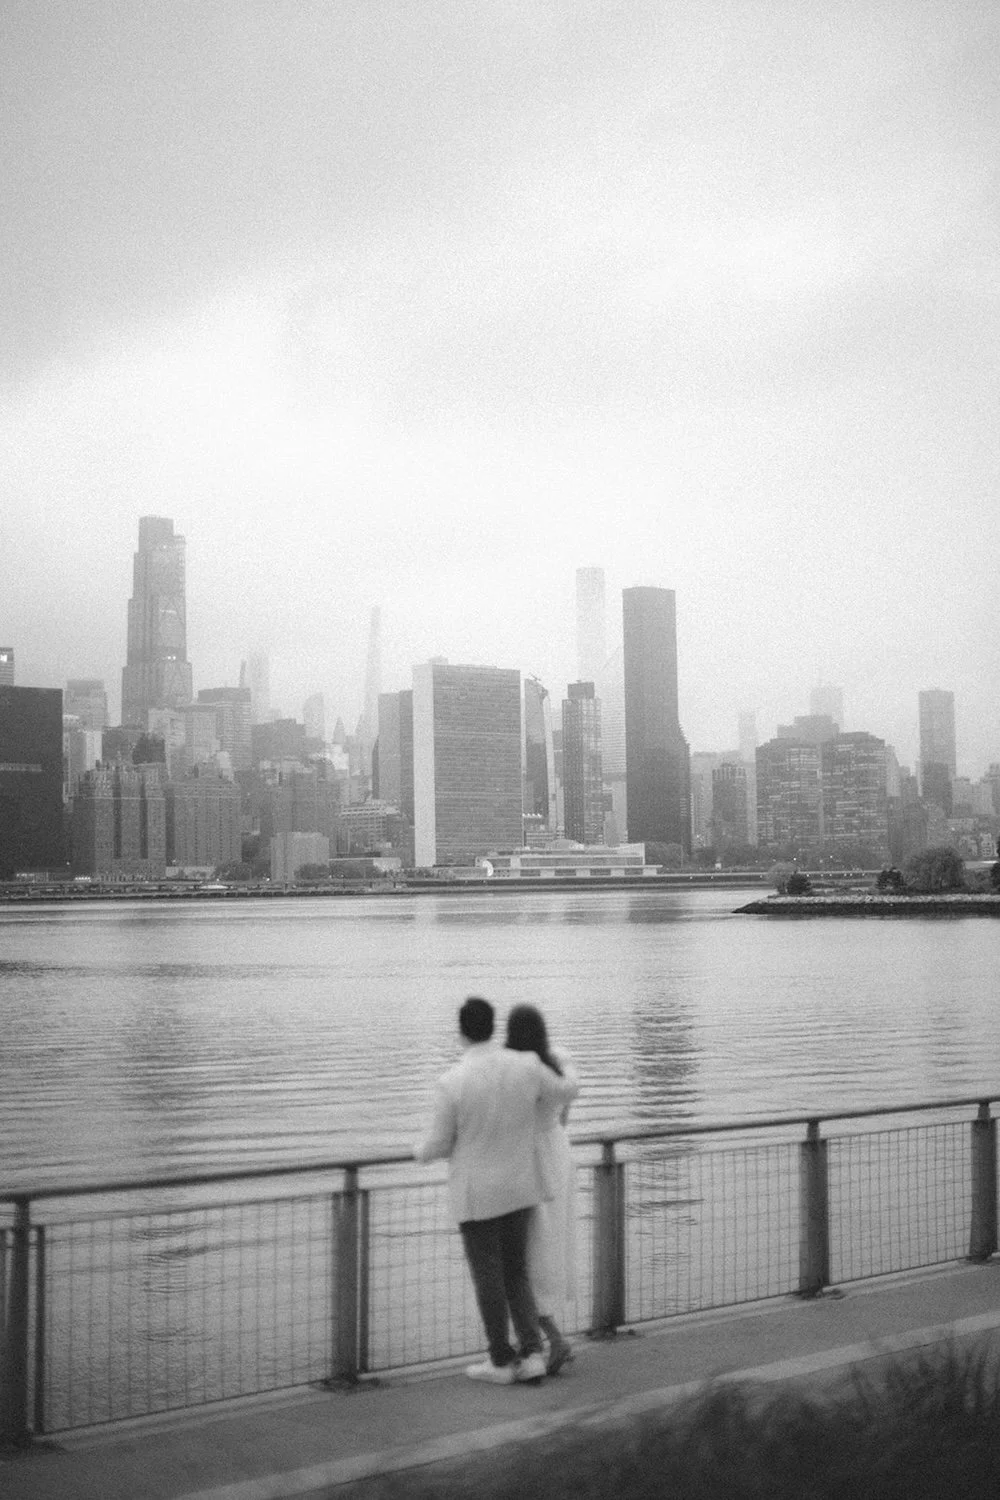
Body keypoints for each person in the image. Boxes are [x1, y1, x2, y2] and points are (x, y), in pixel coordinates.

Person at [414, 995, 578, 1384]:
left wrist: (417, 1152)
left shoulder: (451, 1082)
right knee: (517, 1272)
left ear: (461, 1032)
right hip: (521, 1187)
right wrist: (566, 1062)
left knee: (488, 1277)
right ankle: (534, 1353)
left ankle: (500, 1359)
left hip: (477, 1195)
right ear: (492, 1026)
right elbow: (564, 1092)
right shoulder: (525, 1066)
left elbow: (439, 1144)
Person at [505, 1004, 578, 1375]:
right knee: (547, 1246)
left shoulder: (517, 1071)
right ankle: (534, 1340)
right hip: (558, 1153)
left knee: (523, 1254)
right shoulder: (557, 1062)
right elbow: (564, 1109)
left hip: (528, 1161)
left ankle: (546, 1339)